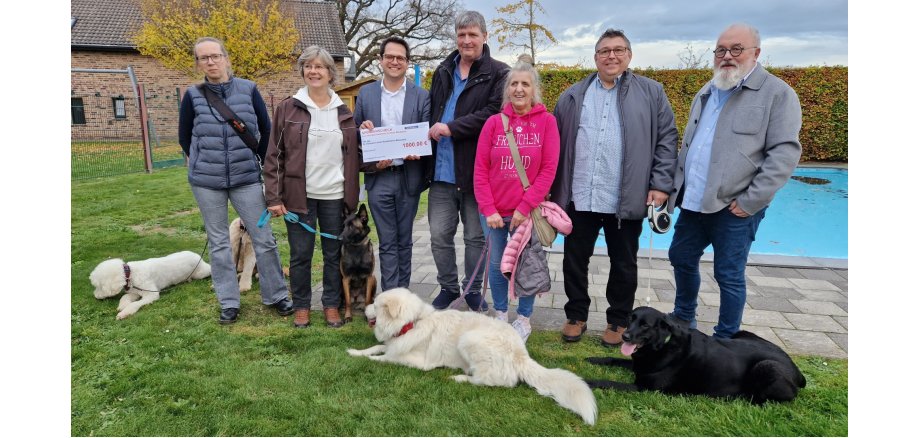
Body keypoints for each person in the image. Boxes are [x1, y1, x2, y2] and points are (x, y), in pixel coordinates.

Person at [668, 23, 802, 339]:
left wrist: (750, 201)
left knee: (728, 274)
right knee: (681, 257)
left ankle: (726, 338)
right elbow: (691, 147)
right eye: (721, 50)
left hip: (734, 206)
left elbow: (784, 154)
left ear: (756, 52)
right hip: (694, 201)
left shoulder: (778, 94)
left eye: (736, 49)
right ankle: (683, 320)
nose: (727, 56)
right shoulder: (707, 91)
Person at [550, 29, 678, 346]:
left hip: (626, 197)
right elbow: (554, 145)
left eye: (618, 50)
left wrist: (661, 184)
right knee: (574, 260)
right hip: (580, 195)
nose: (612, 56)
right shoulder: (573, 95)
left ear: (629, 55)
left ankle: (618, 321)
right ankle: (576, 315)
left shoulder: (651, 92)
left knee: (624, 263)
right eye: (605, 51)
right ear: (595, 58)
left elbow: (667, 140)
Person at [178, 37, 293, 324]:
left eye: (215, 56)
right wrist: (203, 161)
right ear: (198, 63)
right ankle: (229, 302)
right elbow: (184, 137)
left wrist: (266, 170)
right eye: (204, 58)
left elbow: (266, 131)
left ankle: (276, 294)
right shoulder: (192, 96)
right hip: (207, 181)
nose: (211, 62)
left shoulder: (249, 89)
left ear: (226, 58)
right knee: (219, 243)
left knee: (264, 238)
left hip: (246, 178)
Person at [262, 46, 361, 329]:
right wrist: (273, 196)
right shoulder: (287, 108)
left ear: (331, 73)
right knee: (301, 255)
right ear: (303, 71)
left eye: (320, 66)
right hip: (299, 196)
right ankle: (302, 306)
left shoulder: (344, 111)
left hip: (335, 195)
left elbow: (355, 154)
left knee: (333, 254)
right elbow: (274, 156)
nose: (314, 71)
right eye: (309, 66)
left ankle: (330, 305)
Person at [427, 10, 510, 311]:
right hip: (441, 171)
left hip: (477, 173)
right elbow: (432, 111)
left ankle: (473, 289)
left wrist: (452, 127)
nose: (466, 40)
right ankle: (448, 287)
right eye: (461, 35)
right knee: (438, 235)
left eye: (473, 34)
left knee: (476, 237)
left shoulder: (500, 73)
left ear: (485, 37)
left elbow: (494, 113)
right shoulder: (442, 70)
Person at [473, 55, 559, 342]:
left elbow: (548, 170)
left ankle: (524, 318)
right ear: (507, 90)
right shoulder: (494, 124)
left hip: (528, 213)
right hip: (495, 213)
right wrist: (489, 209)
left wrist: (524, 207)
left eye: (525, 84)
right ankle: (500, 314)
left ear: (534, 90)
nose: (519, 89)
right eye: (514, 84)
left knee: (526, 267)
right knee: (497, 266)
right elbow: (480, 171)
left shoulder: (547, 122)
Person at [353, 36, 430, 292]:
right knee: (387, 242)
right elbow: (354, 132)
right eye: (389, 57)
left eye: (400, 58)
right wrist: (361, 128)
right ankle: (389, 299)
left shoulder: (421, 96)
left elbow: (425, 132)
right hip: (379, 176)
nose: (394, 61)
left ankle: (403, 298)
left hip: (408, 175)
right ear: (380, 60)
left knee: (404, 241)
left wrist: (417, 148)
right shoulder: (366, 93)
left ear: (407, 63)